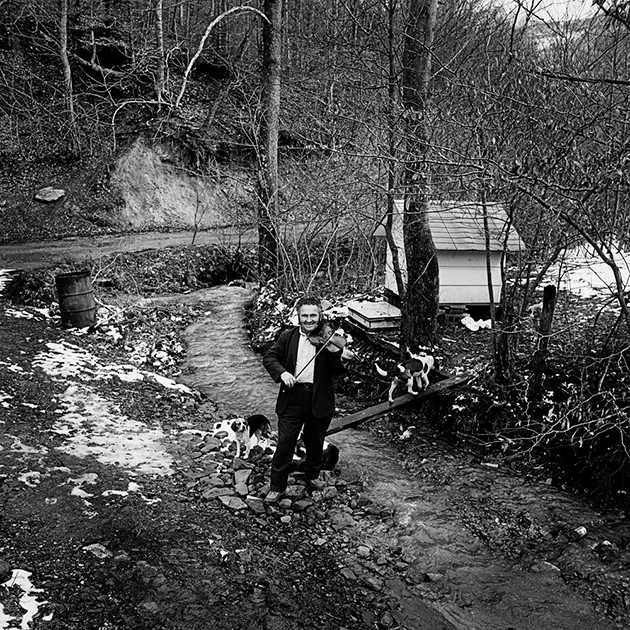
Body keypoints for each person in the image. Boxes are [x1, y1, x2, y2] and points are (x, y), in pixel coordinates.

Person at [262, 295, 346, 505]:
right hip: (292, 396)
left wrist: (338, 355)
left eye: (313, 316)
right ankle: (277, 487)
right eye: (304, 316)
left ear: (320, 316)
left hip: (320, 397)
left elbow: (338, 371)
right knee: (285, 442)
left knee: (315, 441)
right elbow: (269, 358)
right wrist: (282, 373)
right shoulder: (287, 337)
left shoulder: (328, 338)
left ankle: (312, 474)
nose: (309, 320)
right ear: (298, 317)